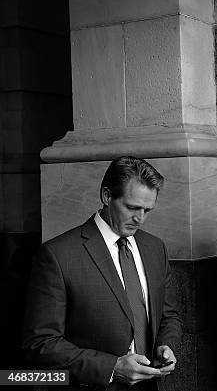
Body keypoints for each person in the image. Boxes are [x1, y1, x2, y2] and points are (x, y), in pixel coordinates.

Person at [23, 156, 182, 391]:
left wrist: (165, 346)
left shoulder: (154, 248)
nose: (140, 218)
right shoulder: (58, 255)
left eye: (147, 210)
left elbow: (169, 316)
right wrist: (112, 368)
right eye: (131, 207)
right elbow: (41, 343)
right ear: (107, 196)